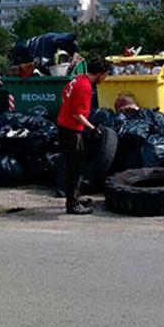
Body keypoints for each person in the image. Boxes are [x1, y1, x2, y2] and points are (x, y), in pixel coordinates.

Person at [56, 57, 110, 215]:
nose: (106, 78)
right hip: (71, 130)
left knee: (74, 164)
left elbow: (64, 95)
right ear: (100, 74)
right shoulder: (85, 87)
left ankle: (74, 197)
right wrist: (93, 129)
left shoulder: (78, 79)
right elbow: (77, 114)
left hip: (64, 125)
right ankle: (72, 204)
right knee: (74, 167)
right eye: (106, 74)